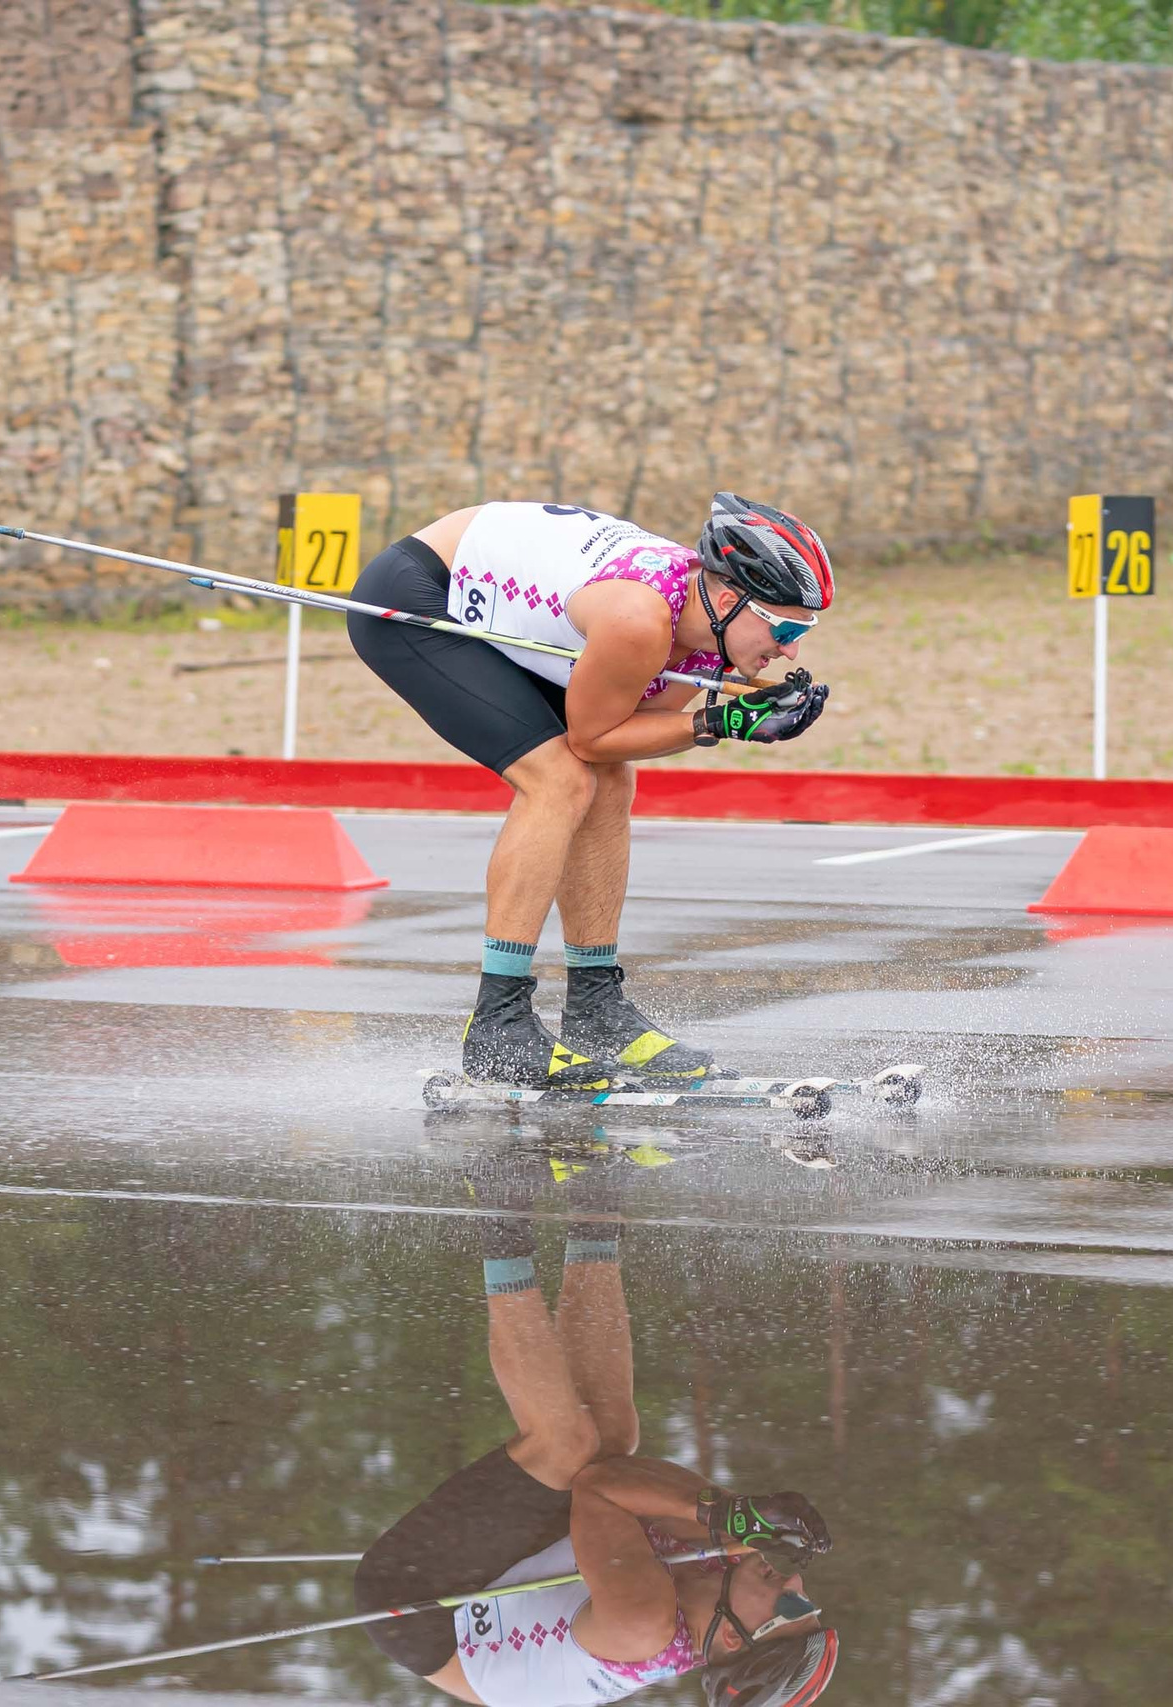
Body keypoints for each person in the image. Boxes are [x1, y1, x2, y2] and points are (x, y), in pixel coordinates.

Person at [349, 495, 836, 1090]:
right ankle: (498, 1025)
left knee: (609, 780)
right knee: (559, 779)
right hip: (421, 595)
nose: (790, 650)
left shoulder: (709, 626)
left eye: (801, 633)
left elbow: (629, 734)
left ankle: (595, 1010)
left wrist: (724, 710)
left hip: (509, 593)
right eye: (786, 628)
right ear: (732, 598)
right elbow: (593, 736)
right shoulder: (640, 617)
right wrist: (720, 722)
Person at [354, 1161, 840, 1707]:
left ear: (731, 1635)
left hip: (422, 1606)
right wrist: (737, 1512)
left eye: (791, 1612)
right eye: (810, 1606)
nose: (798, 1590)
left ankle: (498, 1205)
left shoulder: (642, 1626)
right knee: (612, 1435)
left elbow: (601, 1486)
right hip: (509, 1586)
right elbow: (636, 1482)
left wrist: (724, 1513)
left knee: (566, 1450)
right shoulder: (722, 1579)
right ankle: (594, 1196)